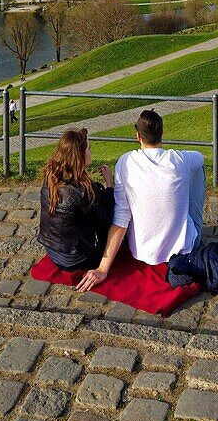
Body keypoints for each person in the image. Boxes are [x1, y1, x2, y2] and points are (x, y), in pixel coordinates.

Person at [77, 109, 205, 292]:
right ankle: (185, 222)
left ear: (138, 136)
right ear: (162, 134)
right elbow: (200, 158)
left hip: (141, 250)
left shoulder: (125, 161)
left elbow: (122, 216)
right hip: (183, 248)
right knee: (197, 170)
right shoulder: (179, 158)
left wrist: (102, 268)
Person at [38, 127, 115, 272]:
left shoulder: (50, 176)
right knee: (118, 225)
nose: (91, 151)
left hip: (51, 251)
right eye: (89, 148)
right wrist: (109, 185)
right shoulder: (84, 190)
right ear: (80, 155)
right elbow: (105, 222)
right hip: (77, 260)